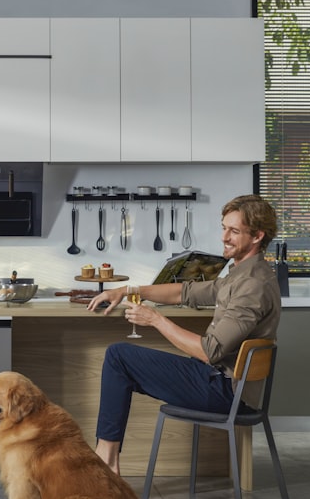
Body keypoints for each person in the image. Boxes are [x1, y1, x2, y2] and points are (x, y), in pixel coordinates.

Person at [85, 194, 281, 475]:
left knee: (119, 357)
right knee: (121, 361)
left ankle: (105, 462)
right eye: (224, 228)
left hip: (225, 392)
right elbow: (184, 291)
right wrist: (127, 290)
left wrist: (154, 319)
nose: (224, 236)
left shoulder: (252, 284)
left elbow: (209, 351)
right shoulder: (242, 274)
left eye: (234, 231)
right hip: (218, 381)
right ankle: (107, 462)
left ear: (257, 236)